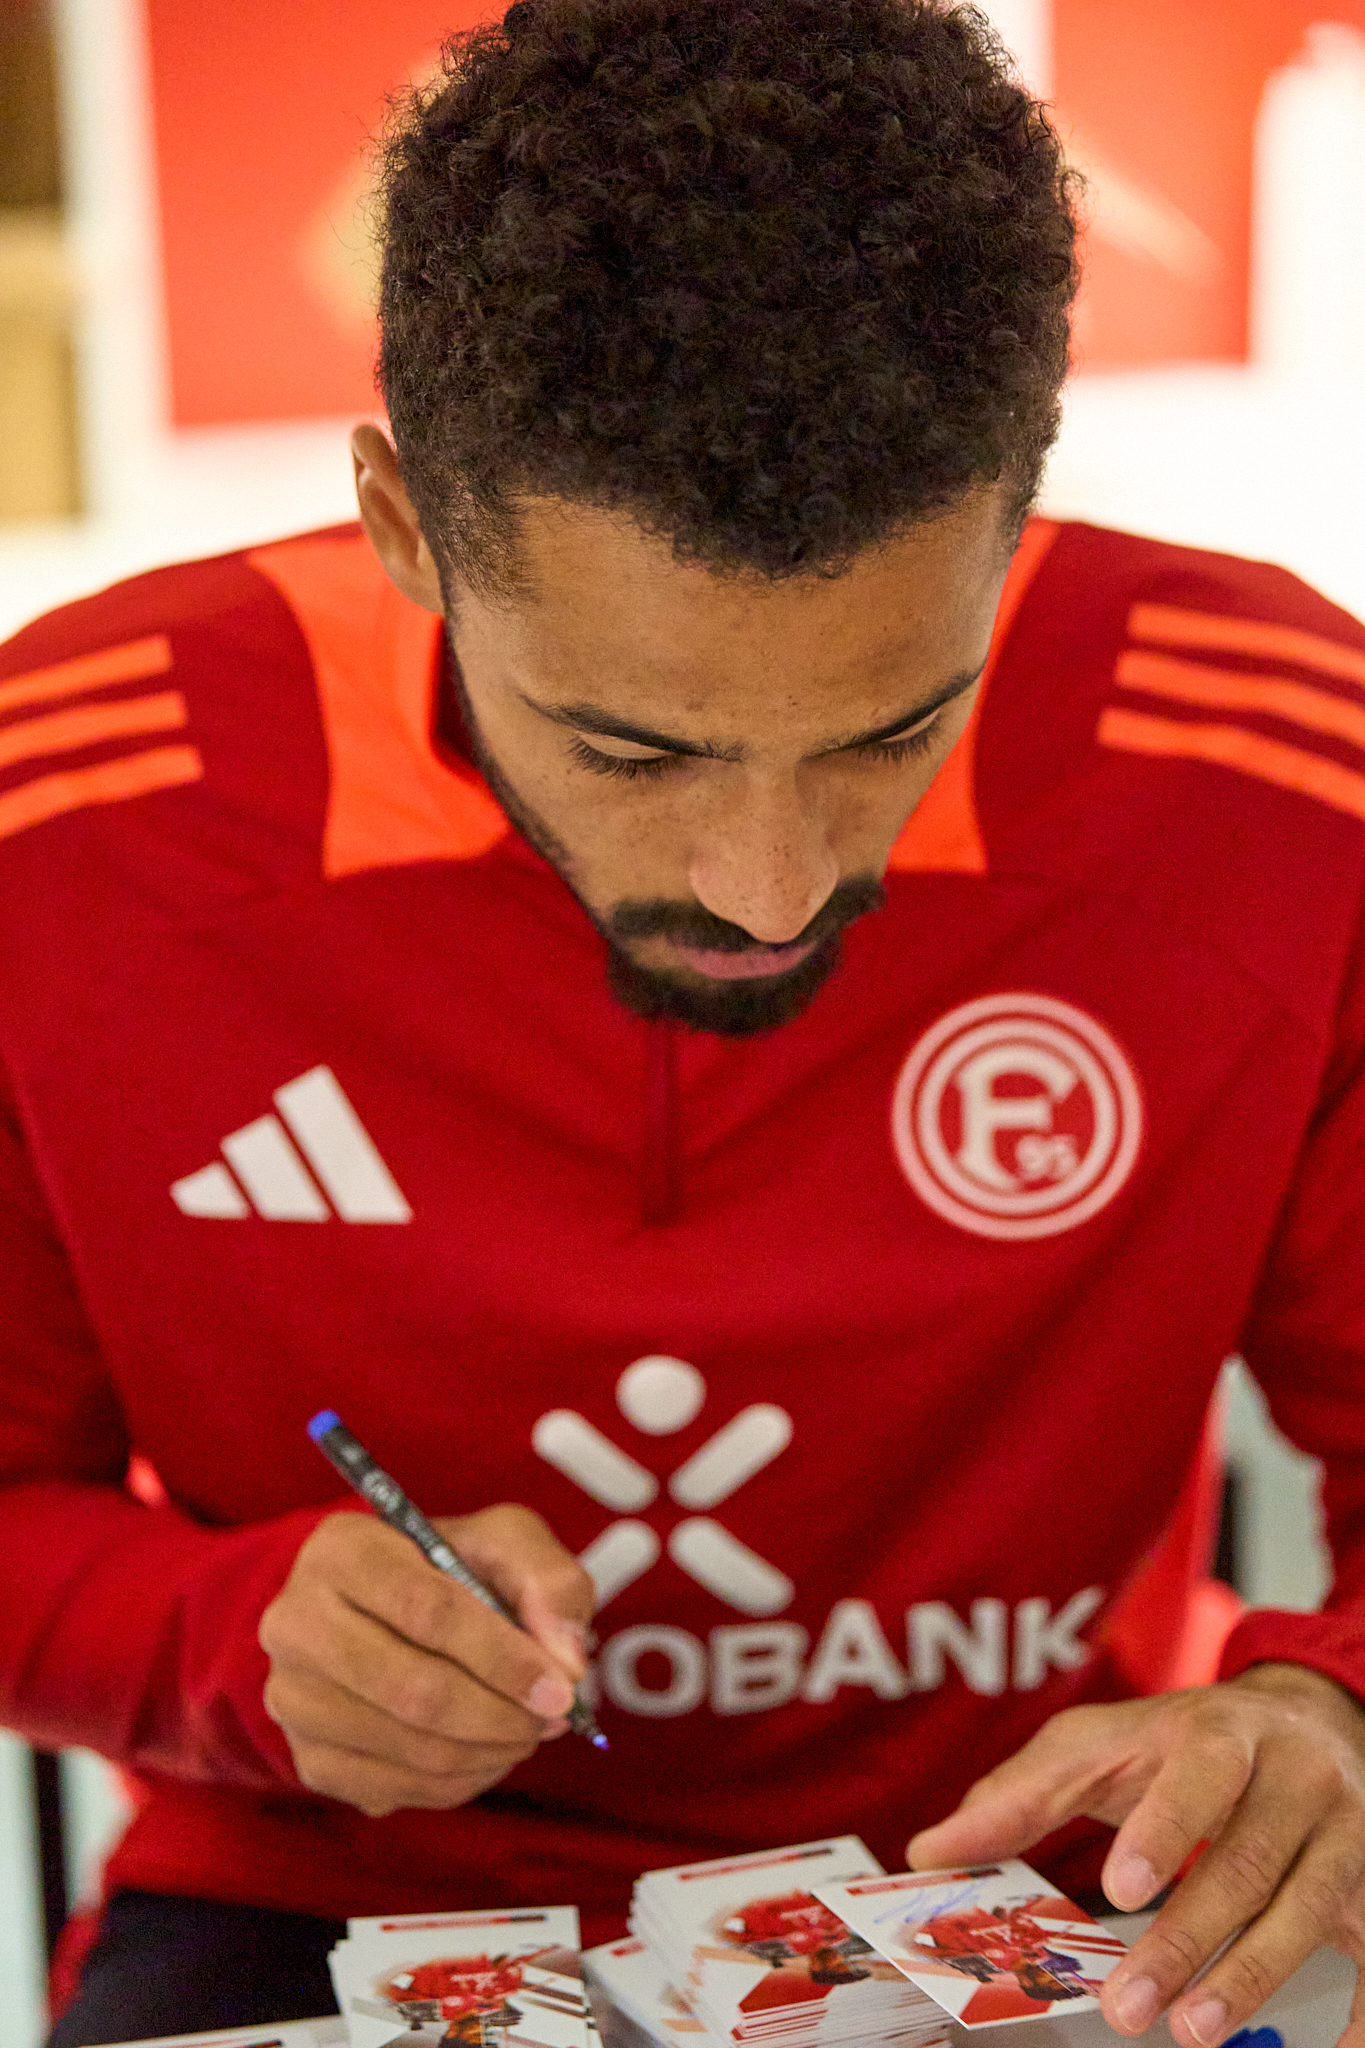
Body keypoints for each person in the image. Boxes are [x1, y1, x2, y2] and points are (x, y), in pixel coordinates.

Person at [2, 0, 1365, 2041]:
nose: (769, 886)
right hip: (323, 1889)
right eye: (631, 748)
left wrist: (1328, 1709)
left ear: (1016, 514)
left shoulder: (1278, 764)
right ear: (404, 527)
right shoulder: (69, 813)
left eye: (893, 725)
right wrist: (220, 1635)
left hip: (1043, 1881)